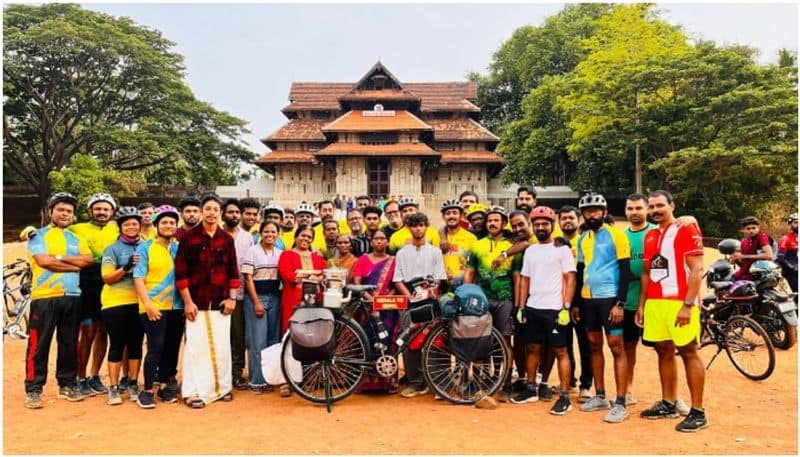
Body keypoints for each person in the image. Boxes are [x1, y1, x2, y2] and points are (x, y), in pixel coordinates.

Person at [636, 190, 708, 432]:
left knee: (689, 352)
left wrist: (688, 305)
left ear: (672, 205)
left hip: (680, 302)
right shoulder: (650, 236)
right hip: (656, 303)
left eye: (660, 205)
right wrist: (642, 305)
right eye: (652, 206)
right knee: (663, 350)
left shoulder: (686, 228)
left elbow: (697, 269)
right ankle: (669, 402)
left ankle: (698, 411)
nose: (655, 210)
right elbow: (647, 272)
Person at [23, 192, 94, 408]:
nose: (65, 214)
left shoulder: (76, 238)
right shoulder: (37, 235)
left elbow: (88, 260)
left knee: (69, 343)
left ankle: (67, 384)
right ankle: (34, 389)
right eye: (61, 210)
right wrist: (73, 266)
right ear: (51, 211)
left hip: (72, 297)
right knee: (38, 343)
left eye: (69, 211)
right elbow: (44, 261)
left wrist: (59, 259)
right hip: (45, 297)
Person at [174, 194, 240, 408]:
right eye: (208, 208)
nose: (211, 213)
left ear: (220, 212)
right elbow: (181, 273)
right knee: (195, 347)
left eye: (215, 209)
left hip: (221, 303)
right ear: (202, 211)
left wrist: (231, 298)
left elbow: (233, 272)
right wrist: (187, 302)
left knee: (222, 347)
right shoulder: (188, 237)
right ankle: (193, 391)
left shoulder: (227, 239)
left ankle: (222, 388)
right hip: (197, 302)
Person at [572, 192, 632, 423]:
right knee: (594, 345)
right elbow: (579, 273)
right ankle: (600, 395)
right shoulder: (582, 239)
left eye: (596, 210)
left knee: (616, 347)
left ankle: (621, 402)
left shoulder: (617, 235)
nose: (592, 214)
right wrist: (577, 303)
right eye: (587, 211)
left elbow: (626, 271)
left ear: (604, 212)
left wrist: (620, 303)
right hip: (588, 300)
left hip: (610, 299)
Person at [512, 206, 576, 416]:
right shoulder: (530, 250)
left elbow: (570, 278)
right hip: (533, 307)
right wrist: (521, 306)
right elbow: (525, 279)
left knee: (561, 351)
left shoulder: (562, 249)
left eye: (544, 224)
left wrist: (566, 306)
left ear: (552, 225)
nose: (540, 227)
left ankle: (565, 396)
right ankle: (531, 388)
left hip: (555, 308)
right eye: (537, 224)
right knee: (532, 348)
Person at [464, 206, 519, 402]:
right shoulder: (477, 246)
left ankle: (505, 382)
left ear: (504, 224)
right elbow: (470, 273)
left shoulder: (512, 245)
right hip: (482, 300)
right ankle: (482, 379)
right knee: (482, 339)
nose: (492, 223)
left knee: (504, 341)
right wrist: (465, 296)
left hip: (505, 299)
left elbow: (517, 276)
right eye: (489, 221)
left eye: (497, 220)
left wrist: (518, 304)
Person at [133, 205, 184, 407]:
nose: (168, 225)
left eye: (172, 222)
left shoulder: (179, 248)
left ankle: (163, 387)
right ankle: (146, 390)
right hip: (153, 306)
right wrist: (147, 304)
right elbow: (138, 278)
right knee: (156, 347)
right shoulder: (144, 248)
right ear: (156, 225)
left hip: (176, 306)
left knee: (172, 348)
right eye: (164, 222)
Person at [69, 192, 119, 397]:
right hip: (85, 283)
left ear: (112, 212)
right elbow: (51, 231)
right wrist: (29, 231)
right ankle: (80, 378)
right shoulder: (76, 228)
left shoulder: (117, 228)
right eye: (98, 208)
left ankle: (94, 375)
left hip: (108, 284)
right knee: (87, 331)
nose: (102, 212)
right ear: (90, 211)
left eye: (106, 209)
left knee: (103, 330)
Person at [393, 213, 447, 398]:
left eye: (421, 225)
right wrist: (411, 298)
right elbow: (398, 280)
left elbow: (439, 277)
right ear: (409, 228)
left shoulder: (435, 252)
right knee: (409, 342)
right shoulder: (402, 253)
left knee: (436, 341)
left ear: (426, 227)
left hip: (430, 299)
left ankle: (438, 384)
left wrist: (428, 293)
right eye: (414, 226)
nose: (418, 229)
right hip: (409, 301)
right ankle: (415, 382)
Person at [100, 207, 145, 406]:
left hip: (140, 301)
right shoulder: (112, 249)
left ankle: (133, 382)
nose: (131, 227)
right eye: (127, 224)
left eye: (135, 223)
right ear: (120, 227)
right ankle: (113, 386)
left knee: (136, 343)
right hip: (116, 301)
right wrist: (125, 267)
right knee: (117, 343)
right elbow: (107, 278)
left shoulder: (146, 246)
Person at [277, 224, 327, 397]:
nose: (306, 239)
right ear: (296, 237)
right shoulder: (287, 255)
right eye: (303, 236)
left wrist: (309, 275)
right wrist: (311, 275)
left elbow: (324, 273)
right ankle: (286, 379)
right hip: (293, 302)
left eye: (309, 237)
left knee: (311, 339)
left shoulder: (316, 256)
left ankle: (308, 378)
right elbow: (288, 275)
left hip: (314, 303)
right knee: (289, 338)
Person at [352, 230, 399, 392]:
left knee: (387, 340)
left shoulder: (393, 260)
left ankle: (387, 382)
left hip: (387, 308)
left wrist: (384, 298)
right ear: (371, 242)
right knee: (366, 340)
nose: (379, 241)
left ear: (387, 242)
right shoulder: (363, 259)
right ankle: (365, 383)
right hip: (366, 307)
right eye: (376, 238)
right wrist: (369, 297)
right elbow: (357, 281)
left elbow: (396, 284)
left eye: (382, 239)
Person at [241, 221, 283, 394]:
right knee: (257, 340)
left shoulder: (280, 253)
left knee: (273, 340)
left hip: (275, 297)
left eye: (273, 232)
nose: (270, 235)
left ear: (277, 234)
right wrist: (256, 301)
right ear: (260, 233)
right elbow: (248, 278)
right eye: (266, 231)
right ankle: (256, 381)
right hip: (256, 297)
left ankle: (269, 378)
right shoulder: (252, 251)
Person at [221, 198, 254, 391]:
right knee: (220, 336)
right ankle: (221, 374)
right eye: (230, 212)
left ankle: (236, 373)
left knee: (238, 336)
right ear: (223, 214)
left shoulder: (248, 237)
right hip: (218, 294)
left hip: (241, 294)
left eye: (236, 212)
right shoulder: (215, 235)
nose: (234, 215)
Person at [440, 199, 477, 289]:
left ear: (461, 216)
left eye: (455, 213)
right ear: (443, 217)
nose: (451, 216)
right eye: (448, 213)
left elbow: (475, 267)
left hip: (463, 284)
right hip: (442, 286)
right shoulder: (438, 236)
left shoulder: (471, 238)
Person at [731, 216, 774, 281]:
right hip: (744, 273)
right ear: (743, 230)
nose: (751, 231)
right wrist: (736, 259)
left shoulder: (761, 236)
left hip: (757, 275)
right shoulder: (744, 241)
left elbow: (769, 256)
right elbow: (745, 265)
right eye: (748, 229)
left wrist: (743, 256)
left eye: (754, 228)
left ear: (758, 228)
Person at [777, 213, 798, 293]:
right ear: (790, 224)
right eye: (796, 222)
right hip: (792, 271)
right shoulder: (785, 239)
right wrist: (793, 268)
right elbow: (781, 258)